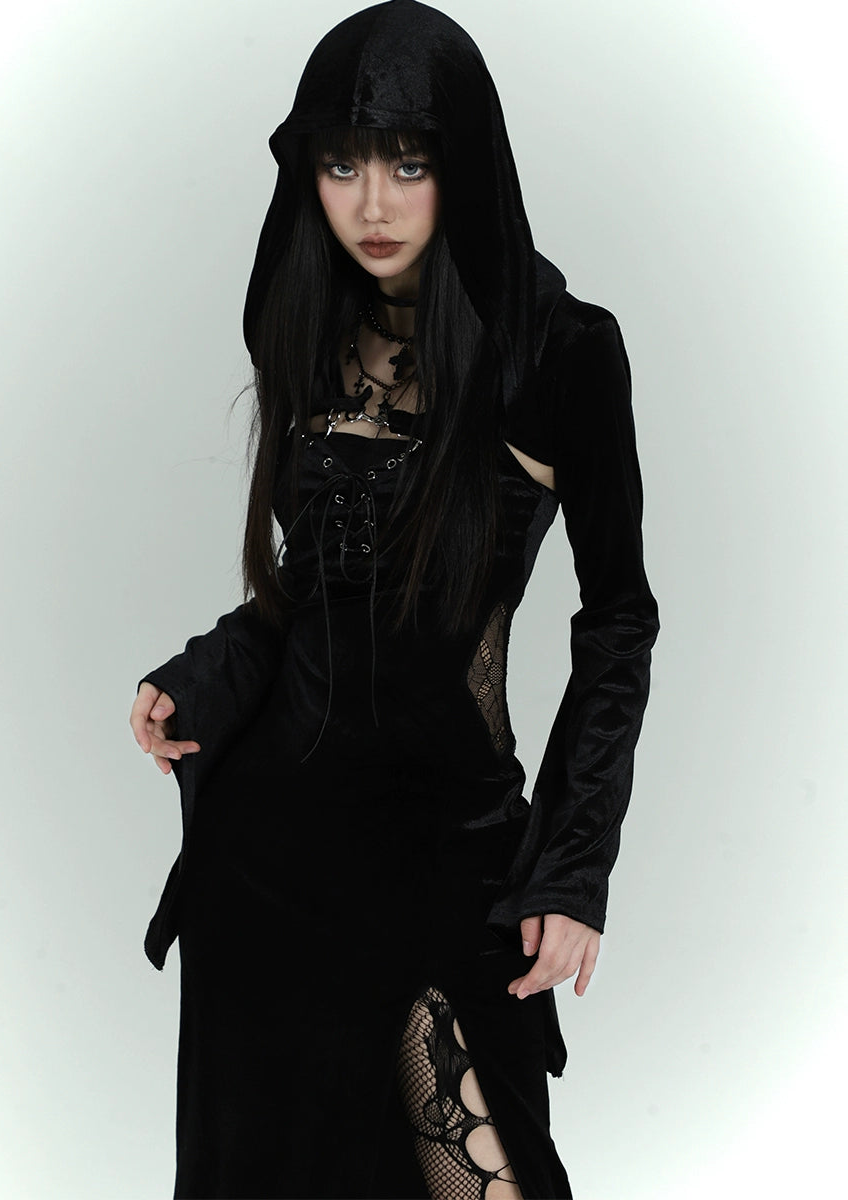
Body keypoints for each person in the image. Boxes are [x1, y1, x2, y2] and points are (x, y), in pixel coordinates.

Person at [129, 2, 660, 1197]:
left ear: (462, 162)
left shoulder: (560, 353)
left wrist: (571, 869)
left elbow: (617, 622)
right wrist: (196, 678)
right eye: (343, 164)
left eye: (409, 163)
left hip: (449, 858)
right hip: (270, 861)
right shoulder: (306, 327)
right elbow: (307, 596)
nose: (373, 203)